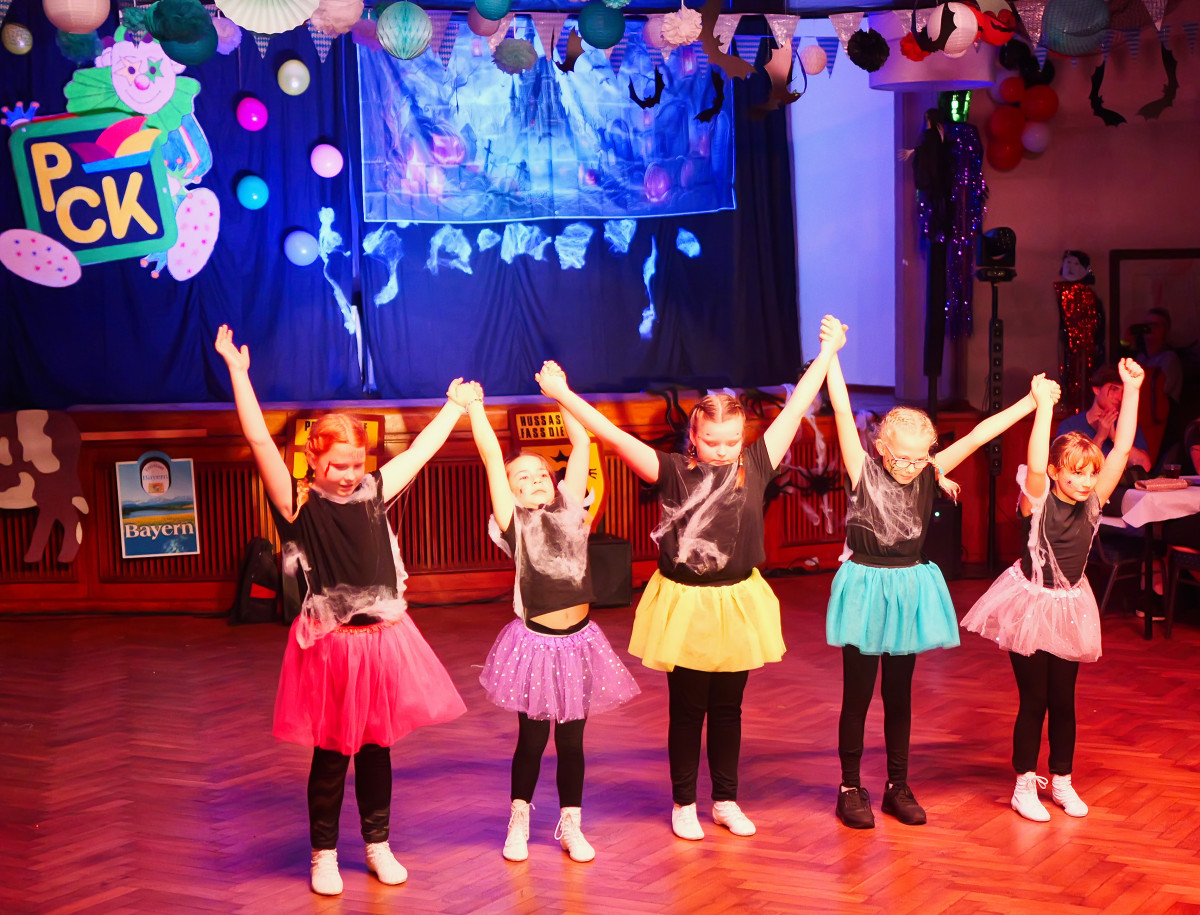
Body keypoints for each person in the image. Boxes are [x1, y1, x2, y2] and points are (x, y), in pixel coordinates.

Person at [537, 316, 846, 841]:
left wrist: (828, 352)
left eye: (731, 440)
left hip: (737, 600)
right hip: (686, 603)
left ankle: (725, 799)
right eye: (711, 441)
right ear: (694, 438)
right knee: (687, 709)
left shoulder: (756, 463)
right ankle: (684, 802)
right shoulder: (672, 472)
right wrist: (563, 394)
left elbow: (796, 406)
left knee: (728, 708)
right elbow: (613, 435)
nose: (722, 450)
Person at [213, 325, 470, 896]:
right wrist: (238, 373)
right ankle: (324, 854)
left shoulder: (374, 490)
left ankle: (378, 843)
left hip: (383, 641)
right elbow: (258, 441)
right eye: (338, 466)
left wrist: (453, 408)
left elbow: (420, 453)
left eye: (357, 463)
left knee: (377, 749)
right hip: (333, 646)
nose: (350, 474)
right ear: (314, 460)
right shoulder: (298, 504)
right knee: (332, 755)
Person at [824, 336, 1048, 830]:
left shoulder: (929, 471)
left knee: (899, 694)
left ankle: (897, 785)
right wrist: (832, 354)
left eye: (919, 459)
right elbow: (841, 411)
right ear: (881, 448)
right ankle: (849, 786)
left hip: (907, 587)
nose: (909, 468)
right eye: (900, 458)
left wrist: (1030, 403)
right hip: (865, 587)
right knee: (857, 696)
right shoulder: (863, 470)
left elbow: (980, 434)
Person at [466, 376, 640, 864]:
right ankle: (519, 818)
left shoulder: (571, 511)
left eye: (540, 473)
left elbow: (581, 441)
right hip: (536, 644)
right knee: (532, 739)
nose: (534, 480)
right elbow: (490, 458)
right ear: (509, 491)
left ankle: (571, 823)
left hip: (579, 641)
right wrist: (475, 408)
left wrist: (560, 393)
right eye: (521, 478)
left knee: (572, 741)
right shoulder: (512, 522)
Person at [961, 360, 1144, 821]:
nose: (1084, 482)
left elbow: (1122, 449)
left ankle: (1061, 779)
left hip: (1068, 606)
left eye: (1090, 474)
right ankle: (1024, 783)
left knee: (1064, 701)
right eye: (1075, 473)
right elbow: (1037, 455)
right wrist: (1043, 407)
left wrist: (1133, 389)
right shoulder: (1037, 501)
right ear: (1055, 472)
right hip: (1029, 603)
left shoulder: (1094, 501)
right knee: (1035, 700)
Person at [1056, 364, 1152, 472]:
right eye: (1114, 389)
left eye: (1123, 392)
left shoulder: (1127, 424)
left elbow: (1145, 465)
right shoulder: (1070, 426)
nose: (1120, 397)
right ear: (1097, 390)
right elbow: (1070, 470)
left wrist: (1115, 436)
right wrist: (1100, 437)